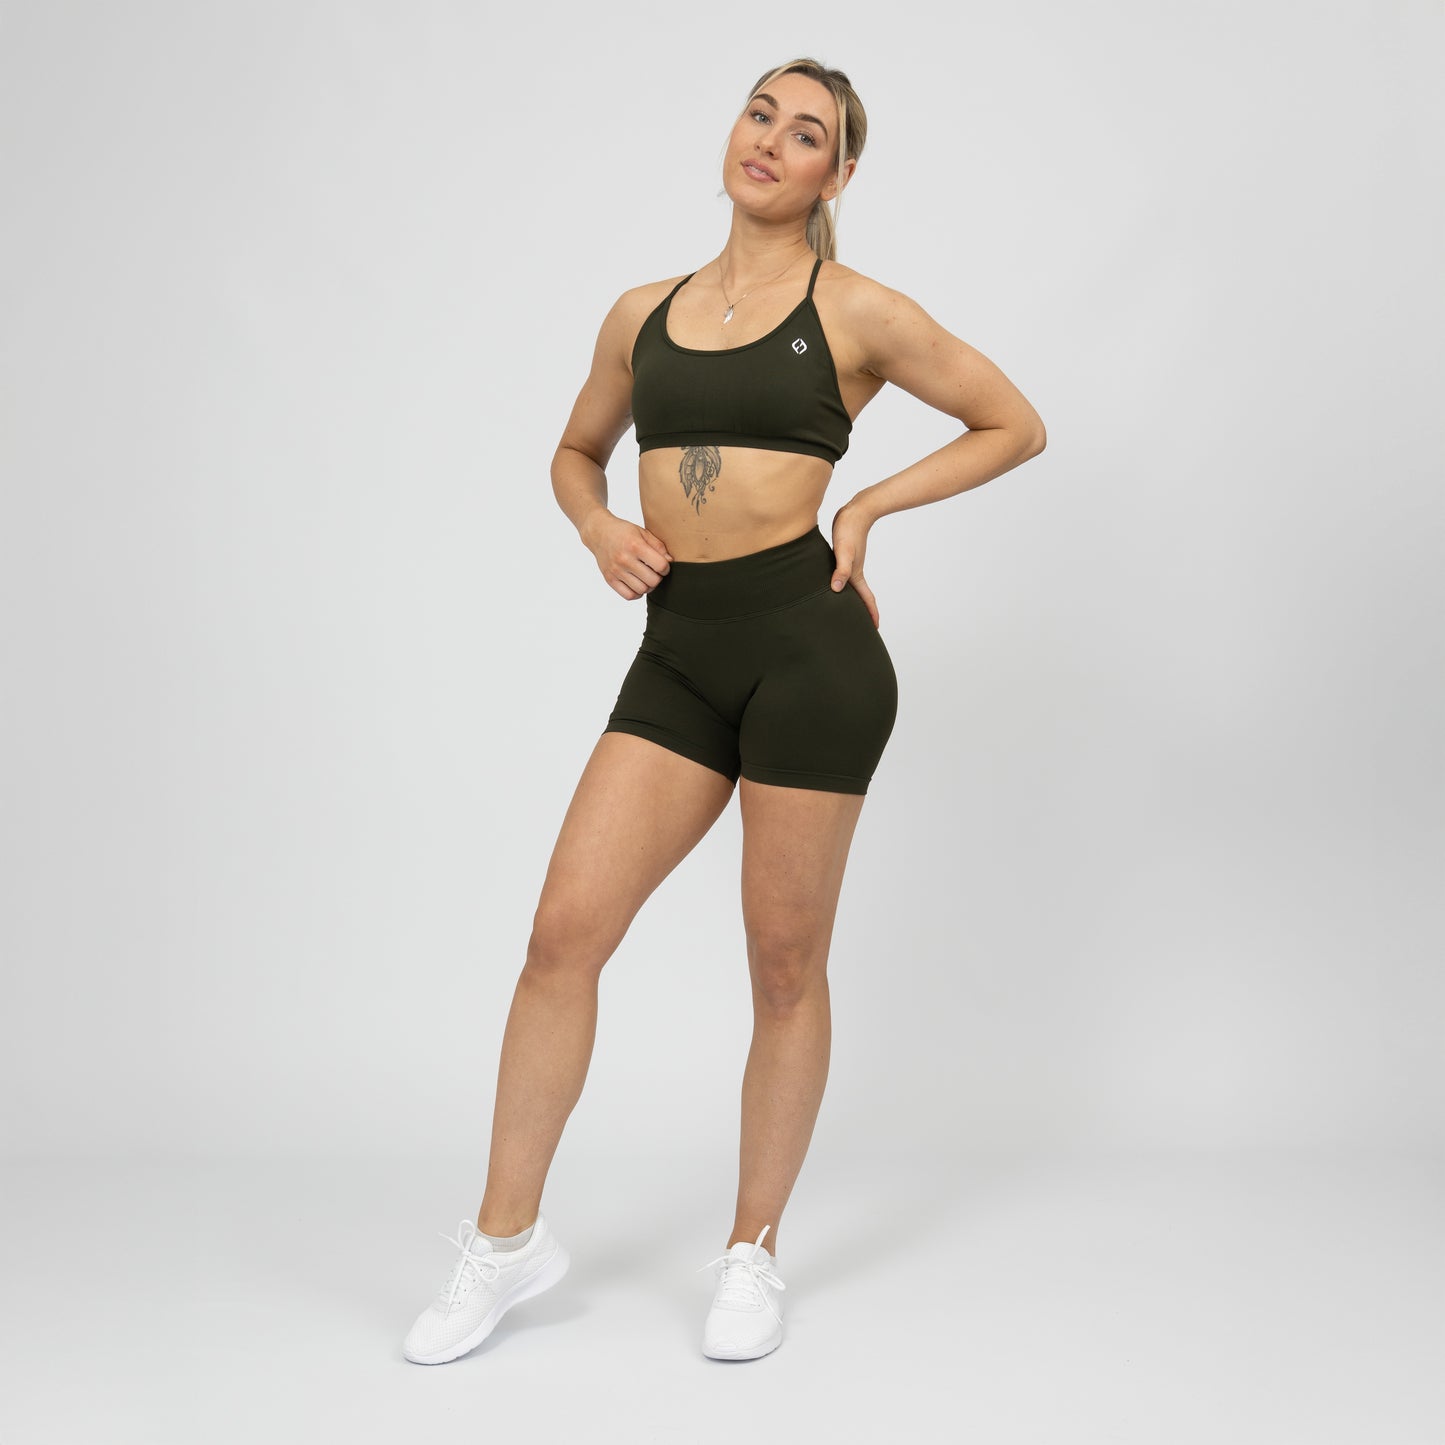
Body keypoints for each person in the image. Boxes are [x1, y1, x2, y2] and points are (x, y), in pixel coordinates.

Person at [402, 56, 1046, 1366]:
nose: (771, 140)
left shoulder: (855, 310)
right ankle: (506, 1241)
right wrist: (598, 528)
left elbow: (1011, 422)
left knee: (784, 966)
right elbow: (574, 453)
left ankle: (752, 1250)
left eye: (806, 133)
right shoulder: (639, 313)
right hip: (679, 655)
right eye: (761, 112)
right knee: (561, 937)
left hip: (810, 657)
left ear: (836, 175)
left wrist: (865, 509)